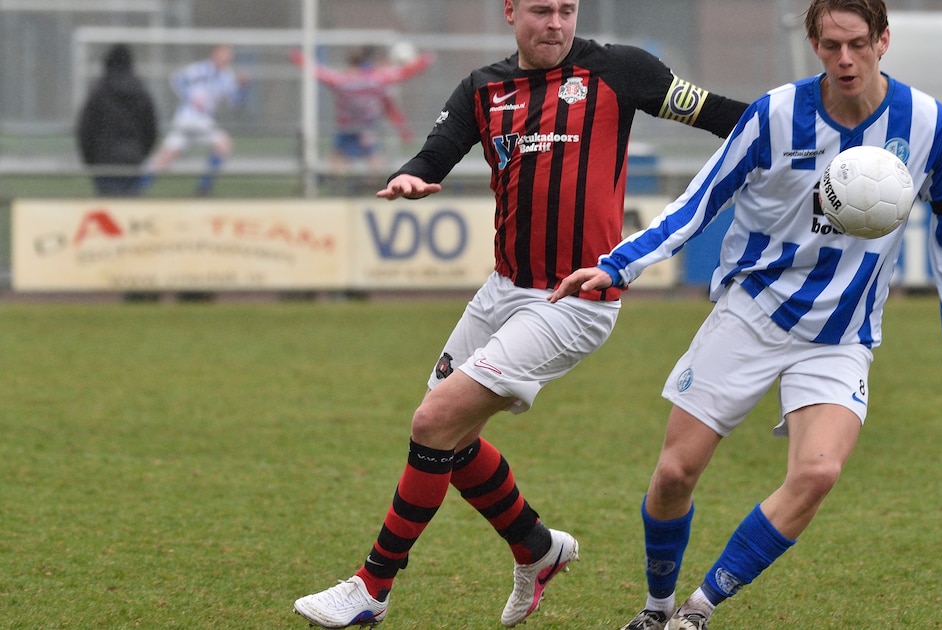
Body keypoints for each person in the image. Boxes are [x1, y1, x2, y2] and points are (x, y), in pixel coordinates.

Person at [292, 1, 748, 628]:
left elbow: (732, 118)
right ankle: (537, 549)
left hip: (575, 299)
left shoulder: (623, 72)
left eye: (566, 8)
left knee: (434, 423)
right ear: (510, 11)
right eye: (540, 9)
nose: (555, 22)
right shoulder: (484, 88)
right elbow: (437, 151)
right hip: (502, 290)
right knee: (448, 440)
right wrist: (411, 177)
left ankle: (371, 590)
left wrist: (813, 132)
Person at [548, 0, 942, 627]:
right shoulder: (775, 116)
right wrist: (621, 263)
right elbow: (699, 201)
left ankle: (696, 613)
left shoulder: (928, 125)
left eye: (858, 44)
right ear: (813, 43)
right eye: (831, 45)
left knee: (818, 473)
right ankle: (656, 607)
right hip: (752, 313)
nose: (845, 59)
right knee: (675, 473)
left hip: (840, 334)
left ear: (883, 40)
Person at [290, 45, 434, 194]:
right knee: (374, 164)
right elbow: (403, 73)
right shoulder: (375, 80)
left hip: (348, 131)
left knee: (339, 166)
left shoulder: (342, 81)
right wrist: (425, 60)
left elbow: (318, 72)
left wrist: (297, 58)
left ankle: (340, 191)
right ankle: (366, 190)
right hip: (364, 131)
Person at [143, 44, 244, 196]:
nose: (227, 58)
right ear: (215, 53)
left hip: (202, 119)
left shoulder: (227, 77)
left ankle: (138, 182)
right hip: (189, 117)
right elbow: (176, 80)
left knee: (168, 156)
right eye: (224, 54)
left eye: (229, 55)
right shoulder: (200, 69)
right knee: (223, 143)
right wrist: (191, 97)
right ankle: (203, 187)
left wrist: (242, 86)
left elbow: (235, 101)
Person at [74, 44, 159, 197]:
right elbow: (151, 130)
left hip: (104, 162)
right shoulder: (142, 92)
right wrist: (140, 153)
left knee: (109, 208)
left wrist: (90, 160)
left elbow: (85, 130)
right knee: (129, 212)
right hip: (133, 161)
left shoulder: (98, 92)